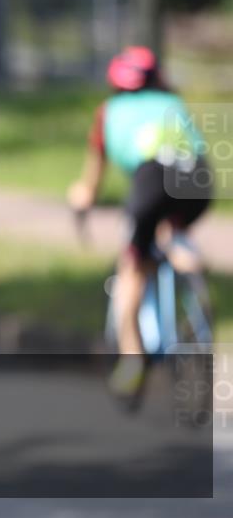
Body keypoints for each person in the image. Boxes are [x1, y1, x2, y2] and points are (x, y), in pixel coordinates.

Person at [68, 46, 212, 401]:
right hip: (198, 178)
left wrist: (81, 201)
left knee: (131, 267)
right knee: (172, 229)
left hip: (150, 181)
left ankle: (133, 363)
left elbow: (89, 184)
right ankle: (193, 281)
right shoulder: (172, 103)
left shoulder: (109, 112)